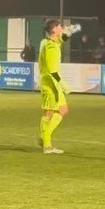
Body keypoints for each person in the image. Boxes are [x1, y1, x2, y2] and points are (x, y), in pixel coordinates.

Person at [38, 18, 71, 155]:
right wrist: (63, 85)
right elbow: (53, 71)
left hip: (53, 84)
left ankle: (45, 136)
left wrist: (71, 30)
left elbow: (62, 38)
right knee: (48, 114)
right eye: (59, 26)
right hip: (50, 84)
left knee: (63, 110)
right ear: (54, 30)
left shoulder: (47, 42)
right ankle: (47, 144)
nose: (61, 28)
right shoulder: (51, 47)